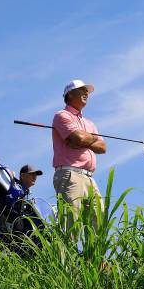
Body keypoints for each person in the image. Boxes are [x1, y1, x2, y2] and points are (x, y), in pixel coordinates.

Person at [52, 79, 106, 228]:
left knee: (98, 223)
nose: (85, 93)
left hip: (89, 177)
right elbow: (79, 137)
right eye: (81, 90)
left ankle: (94, 253)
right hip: (70, 174)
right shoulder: (62, 115)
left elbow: (102, 147)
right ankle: (68, 252)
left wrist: (83, 139)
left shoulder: (89, 123)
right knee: (71, 224)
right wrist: (87, 138)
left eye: (86, 91)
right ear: (69, 95)